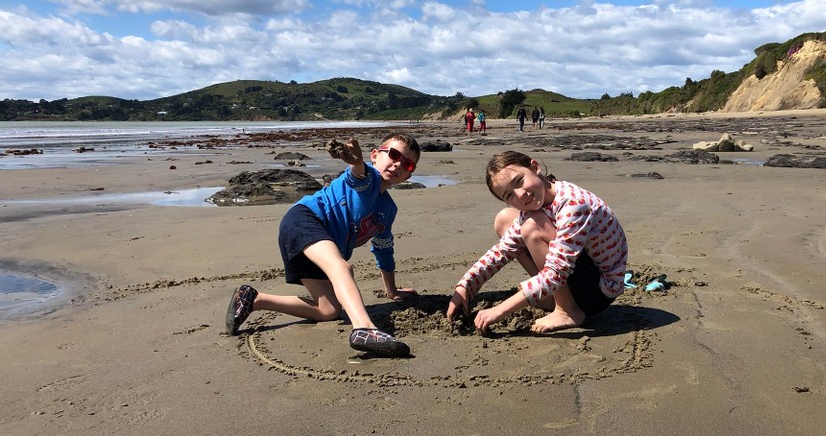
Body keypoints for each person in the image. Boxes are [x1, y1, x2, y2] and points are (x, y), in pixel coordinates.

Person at [225, 133, 421, 357]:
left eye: (406, 164)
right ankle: (364, 329)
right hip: (305, 219)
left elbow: (383, 248)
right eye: (393, 155)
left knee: (328, 310)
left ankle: (253, 299)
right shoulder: (367, 178)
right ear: (375, 155)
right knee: (341, 267)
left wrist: (392, 290)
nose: (397, 164)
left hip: (320, 242)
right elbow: (360, 175)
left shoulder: (388, 210)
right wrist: (356, 162)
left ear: (407, 176)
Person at [446, 151, 628, 334]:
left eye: (519, 181)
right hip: (576, 275)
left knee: (532, 227)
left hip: (599, 291)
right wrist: (466, 286)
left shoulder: (573, 204)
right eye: (509, 196)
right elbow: (503, 252)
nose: (520, 194)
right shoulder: (536, 205)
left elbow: (556, 272)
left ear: (535, 167)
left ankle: (567, 310)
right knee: (506, 219)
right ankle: (553, 297)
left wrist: (500, 310)